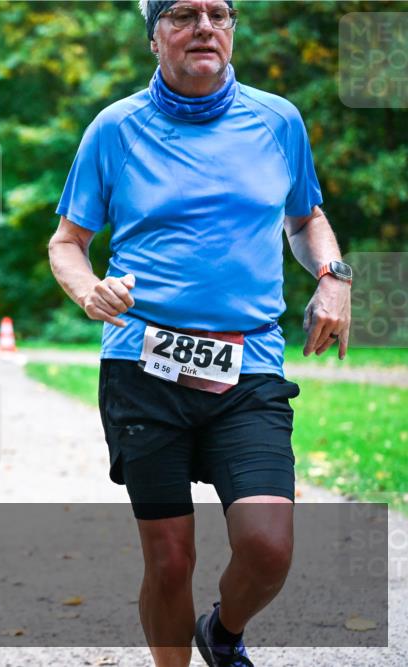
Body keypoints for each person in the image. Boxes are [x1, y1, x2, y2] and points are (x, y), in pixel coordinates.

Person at [47, 2, 352, 666]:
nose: (205, 27)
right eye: (184, 14)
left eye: (220, 13)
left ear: (233, 28)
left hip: (250, 367)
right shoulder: (115, 128)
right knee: (169, 560)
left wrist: (333, 277)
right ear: (153, 35)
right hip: (143, 367)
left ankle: (222, 631)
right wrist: (89, 289)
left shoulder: (277, 120)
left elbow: (306, 218)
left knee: (268, 545)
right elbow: (67, 242)